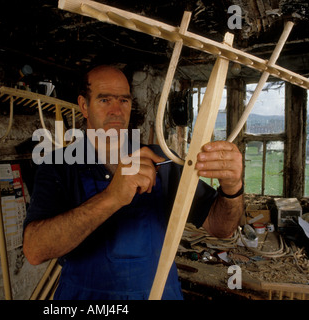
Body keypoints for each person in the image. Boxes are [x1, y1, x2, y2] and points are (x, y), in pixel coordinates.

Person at [23, 65, 244, 300]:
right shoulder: (58, 165)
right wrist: (112, 197)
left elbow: (221, 227)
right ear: (84, 106)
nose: (117, 111)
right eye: (105, 100)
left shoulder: (162, 160)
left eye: (124, 101)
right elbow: (35, 251)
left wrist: (231, 187)